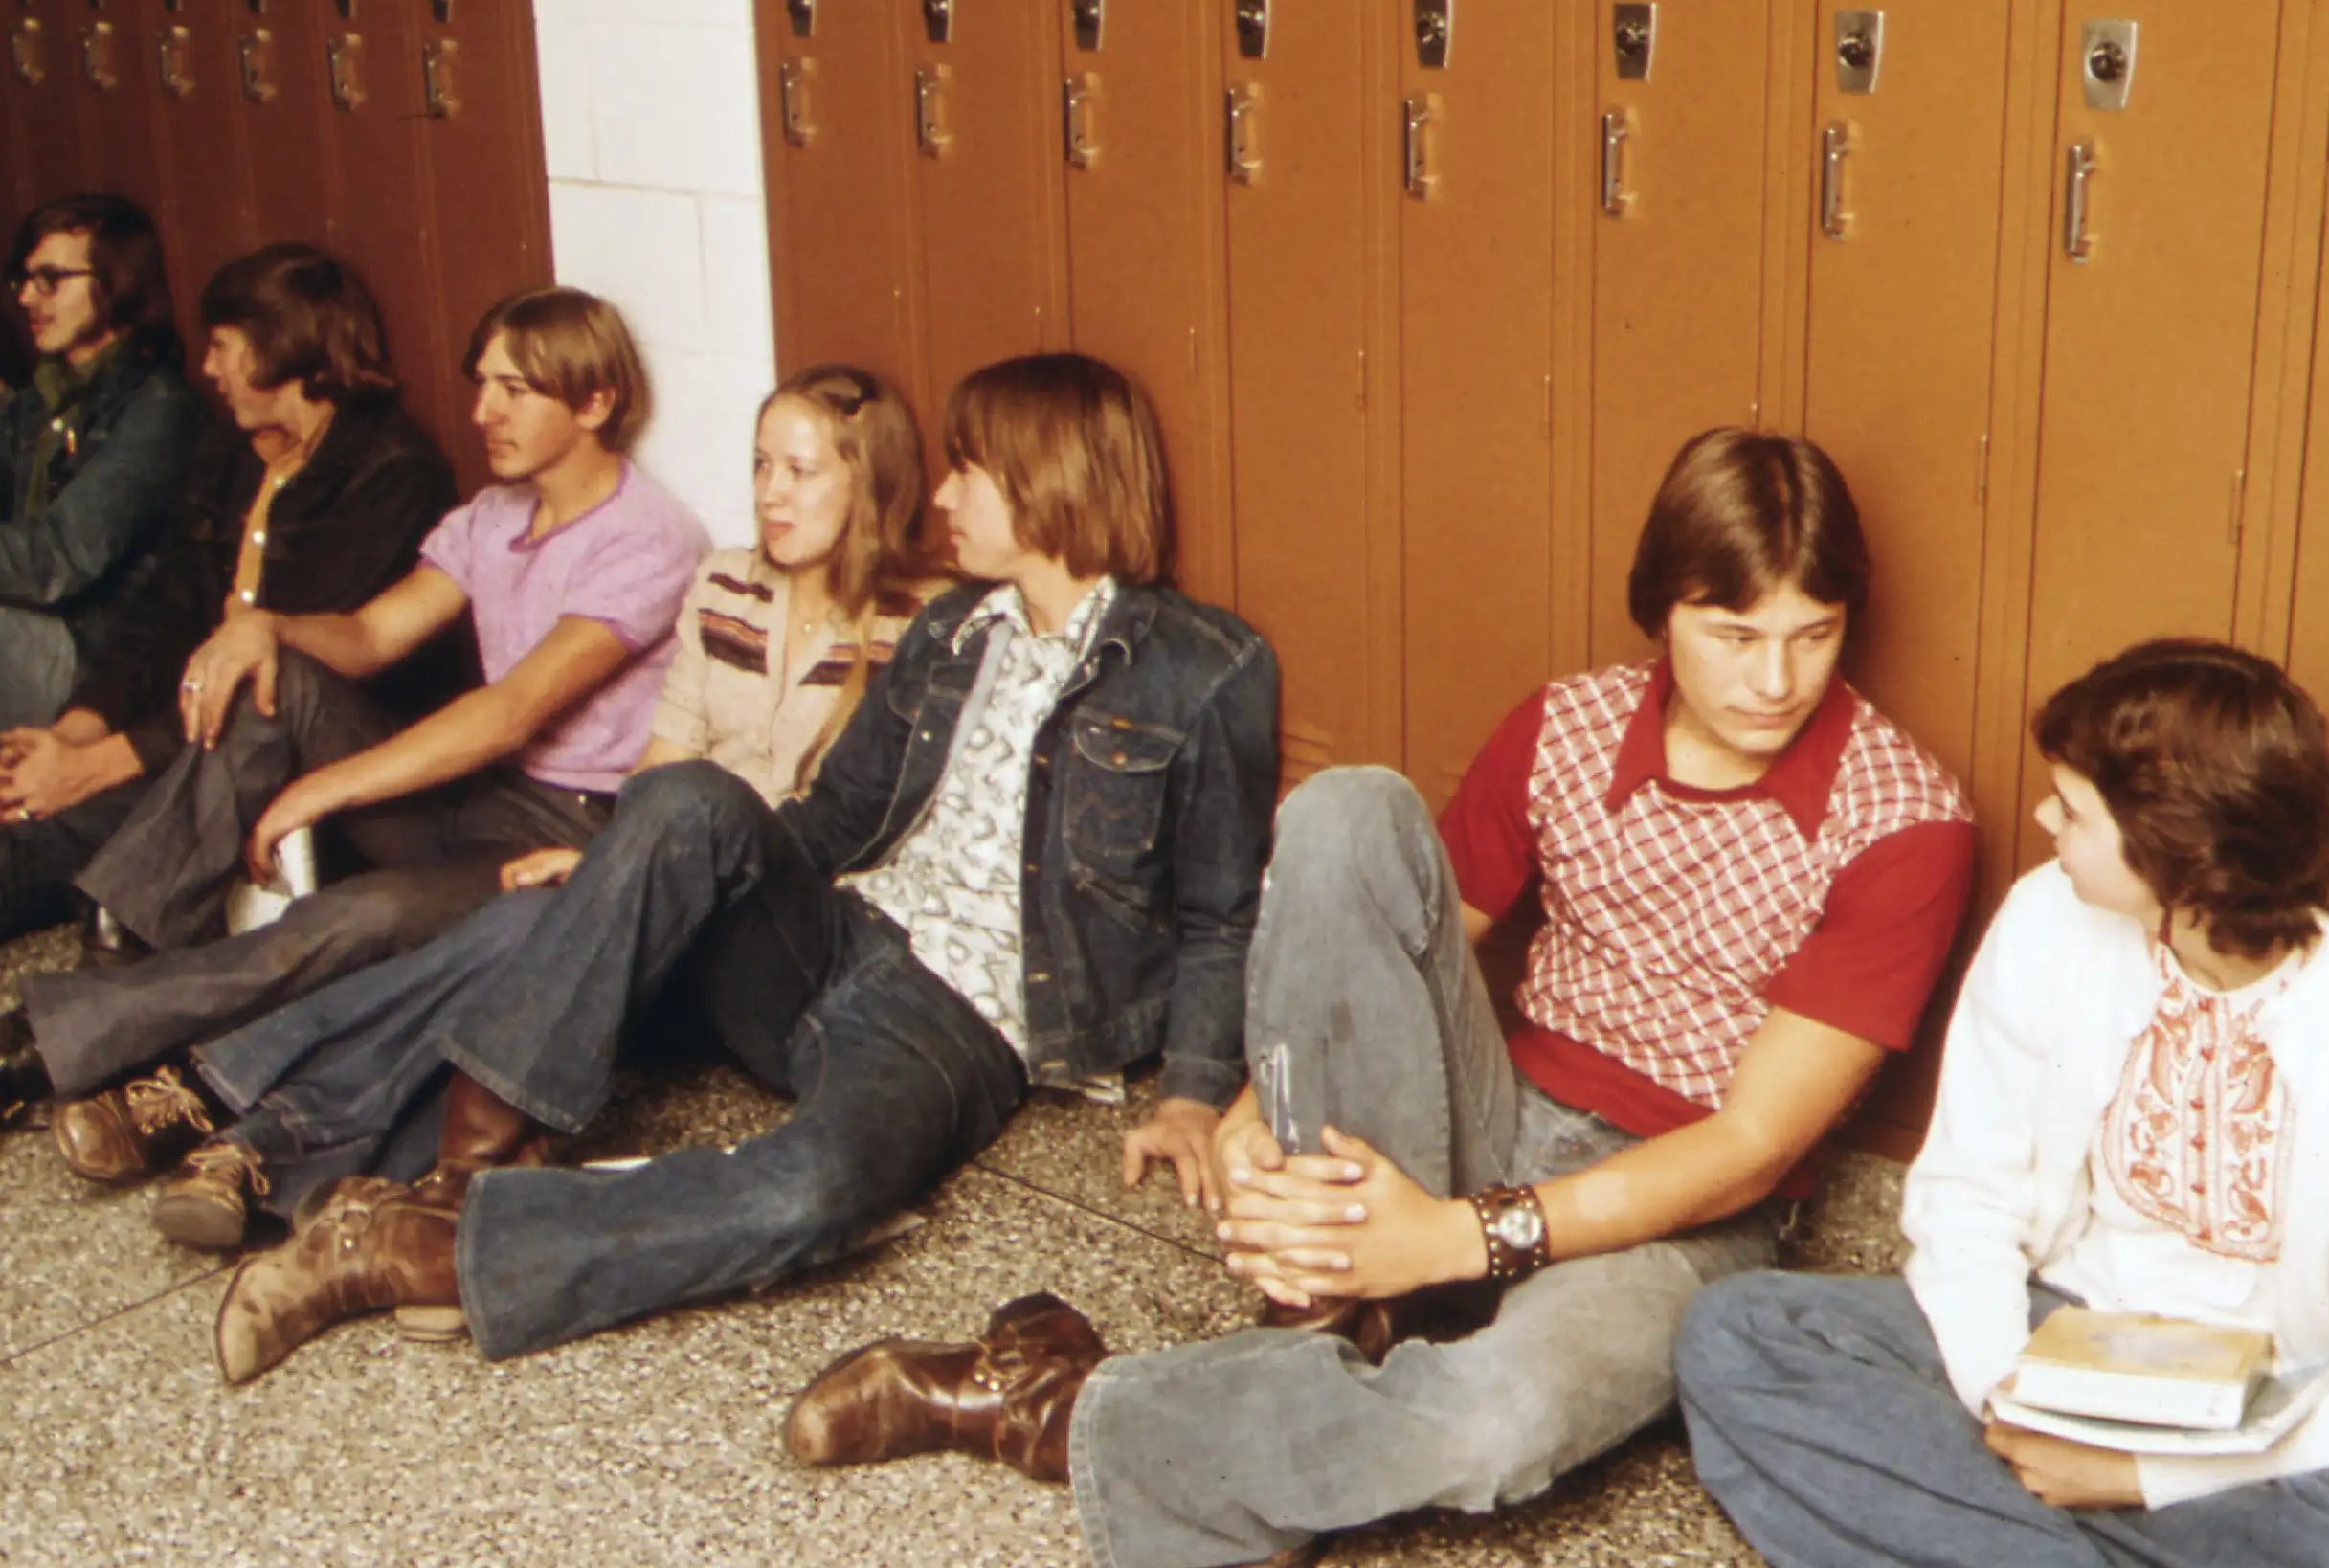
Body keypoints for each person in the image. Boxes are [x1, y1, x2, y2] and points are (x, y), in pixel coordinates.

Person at [784, 427, 1979, 1568]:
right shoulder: (1567, 724)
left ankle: (1048, 1396)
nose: (1775, 679)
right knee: (1346, 807)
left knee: (1498, 1423)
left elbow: (1751, 1143)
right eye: (1732, 632)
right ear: (1661, 610)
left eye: (1811, 634)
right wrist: (1262, 1101)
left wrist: (1458, 1236)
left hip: (1686, 1204)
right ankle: (1331, 1305)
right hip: (1495, 1108)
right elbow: (1386, 935)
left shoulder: (1902, 817)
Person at [207, 351, 1280, 1391]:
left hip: (961, 1019)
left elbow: (1217, 911)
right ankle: (452, 1172)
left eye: (969, 469)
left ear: (1049, 480)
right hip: (832, 933)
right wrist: (648, 870)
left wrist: (1191, 1091)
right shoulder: (955, 628)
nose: (943, 494)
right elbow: (842, 811)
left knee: (816, 1190)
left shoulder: (1207, 665)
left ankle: (408, 1244)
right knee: (671, 807)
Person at [1675, 639, 2329, 1568]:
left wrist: (2139, 1475)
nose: (2042, 817)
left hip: (2294, 1387)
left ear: (2181, 856)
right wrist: (2011, 1394)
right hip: (2069, 1334)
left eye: (2073, 807)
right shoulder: (2047, 911)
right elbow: (1965, 1198)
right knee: (1745, 1331)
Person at [146, 366, 938, 1247]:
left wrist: (622, 867)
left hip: (783, 940)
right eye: (759, 467)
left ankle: (230, 1098)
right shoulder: (724, 585)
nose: (771, 496)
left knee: (526, 934)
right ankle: (279, 1163)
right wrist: (616, 865)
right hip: (667, 879)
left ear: (870, 480)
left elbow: (850, 828)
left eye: (800, 472)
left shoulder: (921, 628)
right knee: (517, 931)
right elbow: (663, 763)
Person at [8, 288, 707, 1179]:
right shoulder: (497, 515)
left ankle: (49, 1038)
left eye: (514, 390)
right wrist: (273, 628)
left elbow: (510, 714)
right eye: (481, 383)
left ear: (595, 402)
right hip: (477, 797)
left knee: (353, 915)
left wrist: (323, 787)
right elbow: (374, 636)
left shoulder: (647, 538)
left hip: (573, 831)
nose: (482, 410)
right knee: (277, 683)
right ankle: (121, 950)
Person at [0, 241, 460, 955]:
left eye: (221, 346)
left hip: (290, 749)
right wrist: (76, 735)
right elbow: (164, 613)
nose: (208, 368)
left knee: (55, 835)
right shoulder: (235, 452)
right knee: (30, 794)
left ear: (281, 347)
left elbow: (283, 684)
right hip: (184, 728)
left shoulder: (391, 473)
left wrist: (98, 766)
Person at [0, 195, 200, 728]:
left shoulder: (157, 405)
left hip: (98, 663)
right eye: (22, 279)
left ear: (116, 281)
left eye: (50, 279)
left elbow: (61, 558)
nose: (25, 297)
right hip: (33, 626)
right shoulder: (44, 397)